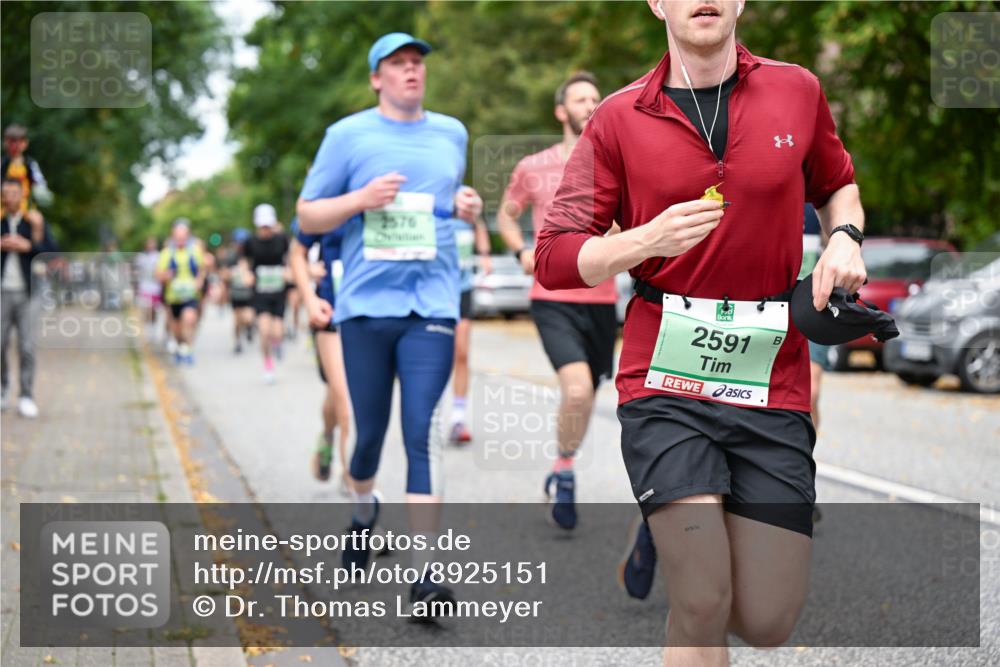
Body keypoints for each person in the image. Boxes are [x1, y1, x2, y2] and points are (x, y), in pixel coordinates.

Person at [534, 1, 866, 662]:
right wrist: (643, 241)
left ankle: (676, 529)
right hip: (665, 380)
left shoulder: (796, 89)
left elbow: (838, 186)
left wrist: (845, 241)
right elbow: (555, 253)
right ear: (658, 3)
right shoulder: (619, 117)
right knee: (702, 598)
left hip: (773, 376)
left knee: (767, 619)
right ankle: (685, 525)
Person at [297, 31, 483, 615]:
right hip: (364, 310)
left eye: (417, 64)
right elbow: (306, 214)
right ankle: (361, 508)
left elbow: (449, 202)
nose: (411, 72)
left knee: (422, 433)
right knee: (369, 437)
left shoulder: (451, 133)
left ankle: (426, 577)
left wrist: (467, 206)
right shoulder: (346, 136)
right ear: (377, 77)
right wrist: (360, 200)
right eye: (398, 65)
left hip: (431, 304)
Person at [496, 71, 618, 530]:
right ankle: (566, 476)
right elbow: (507, 217)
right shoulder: (534, 167)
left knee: (586, 397)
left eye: (596, 97)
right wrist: (521, 249)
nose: (591, 104)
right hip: (552, 296)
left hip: (602, 299)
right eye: (581, 99)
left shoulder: (615, 165)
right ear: (561, 111)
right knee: (578, 388)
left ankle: (562, 461)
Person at [289, 217, 352, 494]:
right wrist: (310, 293)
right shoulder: (325, 200)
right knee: (347, 401)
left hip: (376, 315)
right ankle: (356, 490)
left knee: (337, 396)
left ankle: (328, 433)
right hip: (332, 313)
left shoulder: (385, 189)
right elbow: (297, 253)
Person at [1, 178, 53, 418]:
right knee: (1, 344)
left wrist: (29, 243)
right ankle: (3, 390)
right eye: (5, 193)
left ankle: (26, 396)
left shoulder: (33, 221)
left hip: (29, 293)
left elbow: (51, 252)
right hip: (3, 292)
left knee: (27, 345)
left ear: (21, 195)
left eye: (14, 193)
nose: (10, 197)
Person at [448, 215, 491, 445]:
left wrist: (484, 256)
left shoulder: (465, 201)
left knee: (462, 353)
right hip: (435, 289)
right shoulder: (435, 199)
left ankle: (458, 418)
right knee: (435, 357)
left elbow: (479, 224)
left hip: (462, 289)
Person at [240, 204, 290, 383]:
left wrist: (288, 271)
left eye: (268, 226)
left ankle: (277, 344)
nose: (265, 230)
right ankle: (268, 364)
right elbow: (244, 261)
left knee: (277, 332)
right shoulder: (250, 242)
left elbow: (290, 258)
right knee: (264, 330)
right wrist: (246, 273)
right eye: (262, 226)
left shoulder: (281, 239)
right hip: (260, 292)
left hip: (278, 292)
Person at [156, 218, 205, 365]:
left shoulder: (195, 250)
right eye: (178, 236)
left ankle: (188, 350)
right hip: (173, 297)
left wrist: (199, 281)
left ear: (187, 235)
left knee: (189, 319)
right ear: (173, 236)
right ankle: (180, 346)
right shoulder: (166, 253)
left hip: (190, 295)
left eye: (183, 236)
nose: (181, 239)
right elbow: (158, 274)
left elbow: (202, 269)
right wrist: (166, 276)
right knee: (177, 330)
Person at [801, 203, 829, 429]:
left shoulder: (817, 204)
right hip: (769, 309)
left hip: (813, 311)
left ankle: (808, 458)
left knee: (811, 392)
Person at [2, 125, 51, 213]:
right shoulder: (2, 163)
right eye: (11, 142)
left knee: (37, 221)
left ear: (25, 143)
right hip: (4, 205)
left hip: (25, 206)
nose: (15, 146)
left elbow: (39, 182)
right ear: (5, 142)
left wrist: (41, 192)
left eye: (18, 142)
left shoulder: (30, 164)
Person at [221, 229, 255, 354]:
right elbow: (223, 275)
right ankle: (237, 341)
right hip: (235, 293)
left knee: (248, 317)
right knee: (237, 319)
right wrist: (232, 274)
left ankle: (249, 328)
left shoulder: (252, 255)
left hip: (249, 293)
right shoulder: (230, 256)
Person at [135, 237, 163, 338]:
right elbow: (136, 272)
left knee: (154, 309)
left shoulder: (159, 256)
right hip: (144, 287)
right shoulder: (140, 257)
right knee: (147, 309)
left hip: (156, 288)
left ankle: (153, 329)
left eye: (153, 243)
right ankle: (147, 329)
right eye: (149, 243)